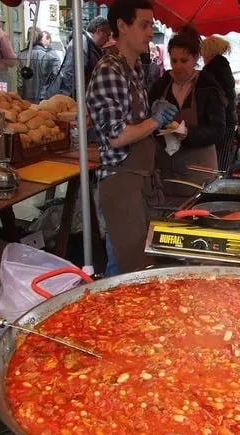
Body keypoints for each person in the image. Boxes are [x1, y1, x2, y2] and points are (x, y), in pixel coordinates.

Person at [85, 0, 177, 276]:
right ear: (122, 27)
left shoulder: (134, 68)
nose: (151, 32)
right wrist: (155, 120)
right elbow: (118, 136)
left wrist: (154, 115)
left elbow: (134, 120)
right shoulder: (109, 70)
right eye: (144, 25)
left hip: (139, 180)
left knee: (139, 261)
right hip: (120, 181)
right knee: (123, 266)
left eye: (152, 25)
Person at [149, 25, 227, 202]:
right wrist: (154, 120)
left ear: (196, 58)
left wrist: (188, 133)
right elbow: (147, 122)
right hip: (166, 173)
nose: (178, 66)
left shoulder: (208, 87)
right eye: (174, 60)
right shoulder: (161, 86)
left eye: (184, 61)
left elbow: (218, 129)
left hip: (199, 173)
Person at [202, 35, 238, 172]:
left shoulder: (213, 68)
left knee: (219, 157)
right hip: (229, 118)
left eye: (203, 50)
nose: (201, 54)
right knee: (223, 154)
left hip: (223, 119)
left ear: (209, 51)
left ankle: (220, 184)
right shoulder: (222, 65)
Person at [59, 16, 112, 98]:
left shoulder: (91, 46)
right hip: (77, 100)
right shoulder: (81, 43)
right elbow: (70, 75)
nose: (108, 39)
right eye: (108, 35)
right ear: (99, 31)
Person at [17, 27, 49, 103]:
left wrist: (19, 96)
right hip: (44, 97)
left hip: (27, 97)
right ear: (41, 38)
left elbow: (20, 82)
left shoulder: (21, 55)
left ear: (28, 38)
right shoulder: (47, 55)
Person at [42, 31, 62, 97]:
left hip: (48, 91)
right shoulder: (48, 52)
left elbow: (55, 74)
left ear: (48, 40)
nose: (40, 40)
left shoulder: (52, 54)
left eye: (42, 38)